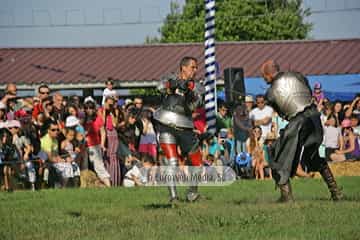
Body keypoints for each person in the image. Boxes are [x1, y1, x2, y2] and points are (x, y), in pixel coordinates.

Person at [261, 60, 342, 202]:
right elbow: (308, 92)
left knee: (276, 154)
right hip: (315, 117)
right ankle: (335, 192)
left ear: (268, 74)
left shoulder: (270, 93)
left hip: (299, 122)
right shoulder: (297, 75)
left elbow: (283, 113)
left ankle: (286, 197)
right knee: (312, 157)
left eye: (264, 76)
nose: (264, 79)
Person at [153, 56, 203, 203]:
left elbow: (198, 101)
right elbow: (159, 86)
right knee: (172, 162)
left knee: (197, 162)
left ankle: (192, 193)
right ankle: (173, 197)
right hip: (166, 123)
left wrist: (188, 89)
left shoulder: (196, 85)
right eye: (193, 67)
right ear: (184, 67)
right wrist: (174, 84)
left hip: (186, 125)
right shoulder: (170, 78)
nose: (195, 70)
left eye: (196, 67)